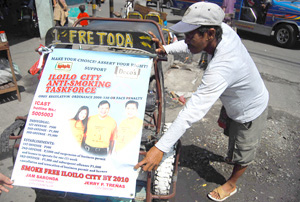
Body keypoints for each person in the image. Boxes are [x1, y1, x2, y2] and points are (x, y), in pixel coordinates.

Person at [135, 2, 269, 201]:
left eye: (190, 34)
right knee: (231, 135)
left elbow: (192, 111)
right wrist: (168, 49)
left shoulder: (223, 66)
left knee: (243, 150)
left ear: (210, 33)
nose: (186, 39)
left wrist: (160, 148)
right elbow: (190, 45)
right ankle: (230, 155)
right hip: (233, 100)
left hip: (249, 109)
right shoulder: (221, 32)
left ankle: (231, 184)